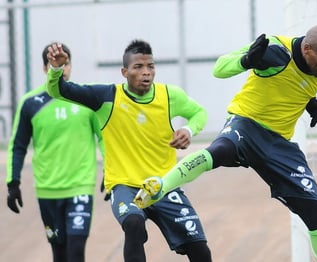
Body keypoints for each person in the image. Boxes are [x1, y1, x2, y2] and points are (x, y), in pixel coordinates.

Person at [135, 24, 317, 262]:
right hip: (246, 124)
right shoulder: (275, 52)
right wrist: (245, 61)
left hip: (279, 144)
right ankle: (160, 186)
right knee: (219, 151)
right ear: (307, 48)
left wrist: (308, 100)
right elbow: (219, 68)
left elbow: (294, 84)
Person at [46, 39, 212, 262]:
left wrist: (189, 131)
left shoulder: (170, 96)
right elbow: (59, 91)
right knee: (133, 224)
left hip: (163, 184)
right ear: (124, 72)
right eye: (138, 67)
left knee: (200, 249)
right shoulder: (105, 97)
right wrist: (56, 69)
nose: (146, 73)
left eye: (150, 66)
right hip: (125, 186)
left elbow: (199, 113)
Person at [6, 43, 104, 262]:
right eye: (55, 63)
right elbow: (18, 145)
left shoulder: (86, 98)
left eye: (66, 63)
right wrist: (13, 182)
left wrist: (112, 171)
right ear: (45, 69)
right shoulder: (30, 103)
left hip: (81, 185)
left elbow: (104, 137)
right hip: (48, 190)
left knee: (76, 250)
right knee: (59, 253)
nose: (63, 67)